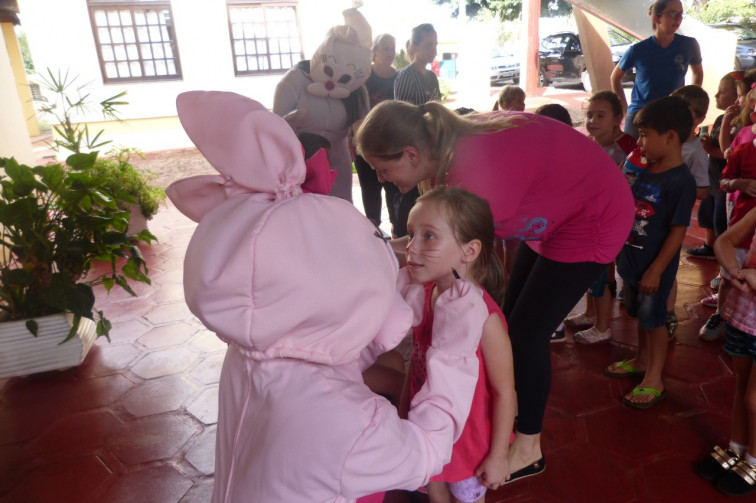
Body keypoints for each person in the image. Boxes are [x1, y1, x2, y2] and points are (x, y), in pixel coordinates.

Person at [166, 90, 490, 503]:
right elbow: (427, 451)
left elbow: (321, 351)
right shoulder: (349, 424)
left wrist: (397, 304)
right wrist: (453, 346)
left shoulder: (251, 351)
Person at [355, 99, 634, 480]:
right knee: (509, 323)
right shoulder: (447, 148)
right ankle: (512, 408)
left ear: (411, 154)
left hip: (593, 216)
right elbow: (434, 249)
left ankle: (528, 446)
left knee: (524, 336)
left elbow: (444, 262)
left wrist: (371, 257)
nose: (381, 179)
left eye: (381, 169)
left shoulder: (472, 171)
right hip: (560, 210)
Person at [399, 186, 516, 502]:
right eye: (412, 234)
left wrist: (498, 456)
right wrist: (403, 409)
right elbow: (419, 363)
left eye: (429, 236)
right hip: (428, 430)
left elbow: (505, 391)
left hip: (469, 446)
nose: (411, 246)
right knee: (435, 489)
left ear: (470, 250)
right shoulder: (424, 294)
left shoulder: (486, 320)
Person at [604, 96, 696, 409]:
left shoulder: (679, 181)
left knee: (655, 321)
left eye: (645, 135)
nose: (639, 142)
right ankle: (641, 360)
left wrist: (657, 269)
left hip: (653, 268)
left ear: (670, 137)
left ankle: (654, 377)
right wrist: (626, 171)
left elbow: (677, 230)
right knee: (639, 317)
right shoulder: (645, 170)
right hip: (632, 260)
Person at [273, 9, 372, 202]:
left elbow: (365, 124)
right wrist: (289, 123)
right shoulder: (293, 80)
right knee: (304, 207)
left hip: (337, 158)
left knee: (339, 204)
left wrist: (360, 130)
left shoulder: (357, 91)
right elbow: (275, 127)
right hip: (300, 159)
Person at [695, 206, 756, 497]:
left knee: (754, 399)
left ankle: (754, 461)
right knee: (742, 388)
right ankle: (736, 448)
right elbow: (724, 240)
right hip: (746, 318)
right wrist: (734, 271)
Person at [566, 91, 636, 344]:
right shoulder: (592, 143)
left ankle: (602, 326)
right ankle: (589, 313)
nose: (593, 121)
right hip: (593, 216)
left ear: (618, 118)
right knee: (591, 269)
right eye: (589, 115)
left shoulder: (627, 147)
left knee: (601, 271)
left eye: (600, 115)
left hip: (612, 219)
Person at [611, 0, 703, 138]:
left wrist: (689, 104)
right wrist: (624, 109)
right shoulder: (638, 50)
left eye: (680, 13)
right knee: (630, 155)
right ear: (657, 18)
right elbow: (615, 77)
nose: (678, 18)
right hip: (640, 113)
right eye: (673, 13)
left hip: (673, 112)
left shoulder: (689, 45)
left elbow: (698, 72)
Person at [388, 23, 442, 238]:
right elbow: (403, 115)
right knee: (409, 197)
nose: (433, 50)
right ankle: (402, 238)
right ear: (413, 47)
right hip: (412, 145)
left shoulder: (431, 77)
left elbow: (437, 110)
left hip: (430, 145)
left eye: (435, 45)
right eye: (428, 45)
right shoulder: (406, 76)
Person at [353, 34, 398, 228]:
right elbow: (354, 113)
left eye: (392, 48)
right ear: (375, 51)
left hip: (392, 147)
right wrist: (352, 142)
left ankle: (397, 236)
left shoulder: (399, 78)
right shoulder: (363, 79)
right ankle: (373, 237)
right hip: (366, 146)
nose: (390, 53)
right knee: (370, 193)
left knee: (393, 193)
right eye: (385, 48)